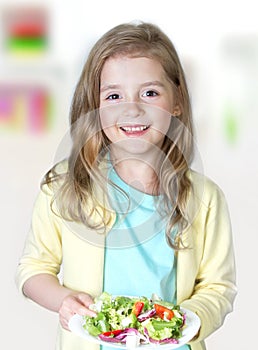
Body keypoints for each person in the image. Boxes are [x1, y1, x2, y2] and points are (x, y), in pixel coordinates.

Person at [16, 21, 237, 350]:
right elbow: (33, 270)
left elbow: (218, 287)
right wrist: (63, 299)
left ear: (176, 102)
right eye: (114, 95)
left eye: (150, 92)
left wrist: (185, 322)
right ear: (96, 107)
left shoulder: (205, 198)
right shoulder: (65, 186)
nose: (132, 108)